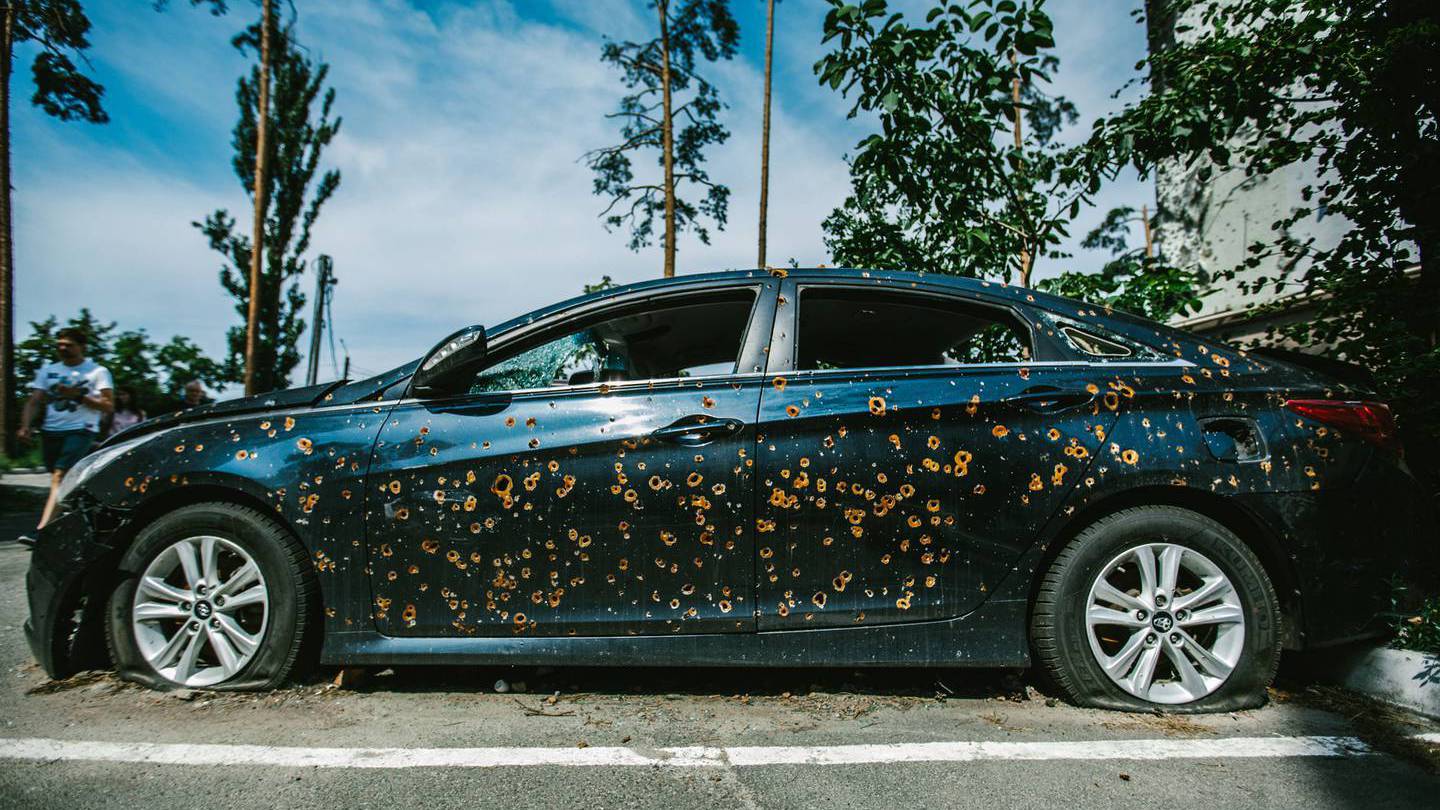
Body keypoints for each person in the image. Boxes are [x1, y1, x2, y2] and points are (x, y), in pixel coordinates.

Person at [17, 327, 114, 532]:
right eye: (59, 344)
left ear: (82, 347)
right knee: (60, 477)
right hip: (51, 430)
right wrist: (25, 425)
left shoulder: (97, 372)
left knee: (60, 476)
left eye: (69, 345)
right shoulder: (48, 370)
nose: (62, 348)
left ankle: (44, 530)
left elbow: (108, 405)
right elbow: (34, 400)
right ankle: (88, 512)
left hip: (81, 428)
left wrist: (78, 396)